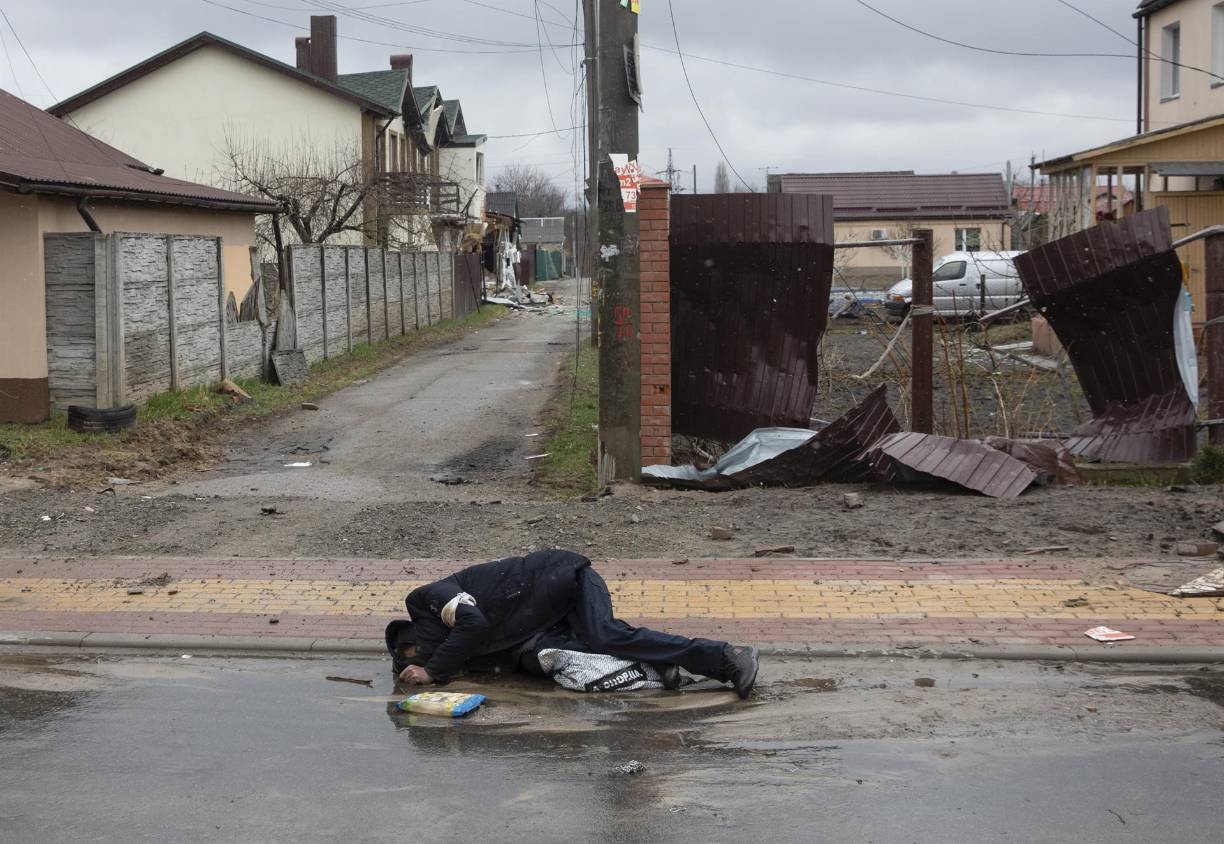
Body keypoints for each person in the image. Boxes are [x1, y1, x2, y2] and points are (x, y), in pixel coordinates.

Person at [385, 549, 760, 699]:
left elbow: (474, 622)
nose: (411, 655)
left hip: (567, 579)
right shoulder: (460, 647)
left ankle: (728, 656)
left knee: (607, 634)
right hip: (551, 609)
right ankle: (657, 662)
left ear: (413, 628)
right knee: (551, 653)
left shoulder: (429, 598)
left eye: (408, 647)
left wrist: (432, 671)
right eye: (407, 658)